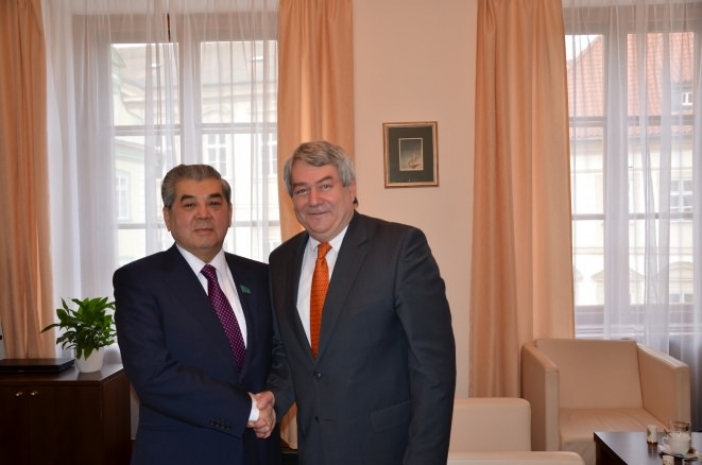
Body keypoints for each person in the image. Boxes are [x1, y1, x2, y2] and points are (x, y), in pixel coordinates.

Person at [266, 140, 456, 464]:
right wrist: (271, 403)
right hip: (314, 452)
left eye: (325, 186)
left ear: (350, 188)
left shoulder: (400, 249)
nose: (314, 200)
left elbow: (433, 371)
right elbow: (290, 356)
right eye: (301, 190)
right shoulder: (281, 261)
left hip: (386, 452)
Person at [113, 164, 281, 465]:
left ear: (229, 213)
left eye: (214, 203)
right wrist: (247, 409)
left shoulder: (262, 276)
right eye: (189, 204)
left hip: (258, 452)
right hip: (180, 453)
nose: (204, 214)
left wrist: (273, 400)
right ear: (168, 217)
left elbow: (282, 353)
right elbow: (152, 375)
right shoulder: (139, 281)